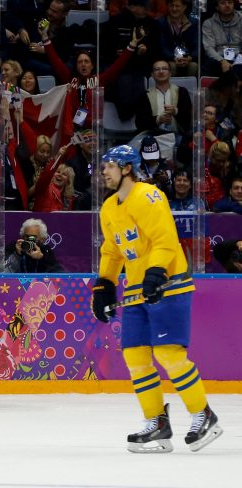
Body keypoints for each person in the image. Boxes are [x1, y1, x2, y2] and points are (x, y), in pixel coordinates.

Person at [91, 145, 222, 454]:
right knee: (135, 357)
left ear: (126, 168)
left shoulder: (148, 196)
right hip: (137, 291)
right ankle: (157, 423)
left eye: (109, 166)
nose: (103, 171)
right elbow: (111, 250)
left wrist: (155, 273)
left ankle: (203, 414)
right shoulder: (109, 207)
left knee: (168, 354)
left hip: (168, 285)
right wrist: (105, 284)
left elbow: (164, 240)